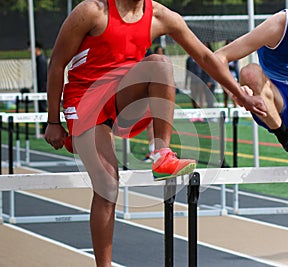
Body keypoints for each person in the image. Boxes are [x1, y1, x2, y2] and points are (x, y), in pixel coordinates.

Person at [44, 1, 266, 266]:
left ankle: (161, 154)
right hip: (85, 101)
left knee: (160, 64)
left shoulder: (160, 16)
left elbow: (205, 57)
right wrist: (53, 120)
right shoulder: (92, 11)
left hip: (123, 95)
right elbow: (57, 63)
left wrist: (240, 94)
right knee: (107, 183)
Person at [215, 2, 288, 163]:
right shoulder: (277, 26)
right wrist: (235, 91)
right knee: (250, 73)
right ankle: (285, 138)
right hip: (274, 98)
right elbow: (218, 57)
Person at [35, 41, 48, 135]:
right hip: (40, 88)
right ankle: (44, 128)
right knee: (41, 108)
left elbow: (42, 76)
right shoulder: (39, 59)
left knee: (43, 108)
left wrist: (41, 89)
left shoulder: (41, 60)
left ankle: (45, 129)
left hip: (42, 89)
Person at [222, 40, 239, 108]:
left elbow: (236, 68)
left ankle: (235, 116)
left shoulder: (235, 57)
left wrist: (238, 79)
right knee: (225, 96)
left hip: (233, 78)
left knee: (234, 97)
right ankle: (224, 115)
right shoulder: (223, 56)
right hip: (225, 78)